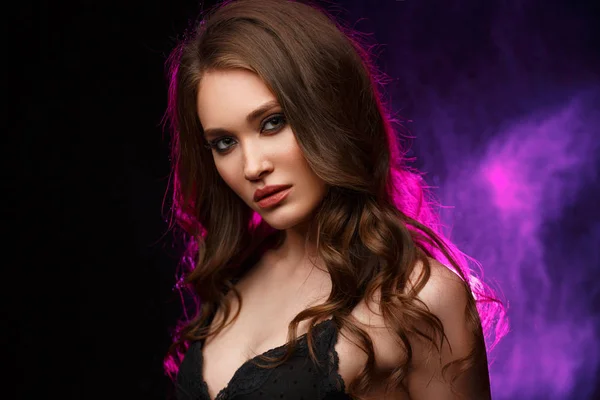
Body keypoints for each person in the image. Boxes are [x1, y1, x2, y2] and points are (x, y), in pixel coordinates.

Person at [162, 0, 507, 399]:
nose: (253, 166)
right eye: (224, 142)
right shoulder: (234, 276)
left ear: (327, 112)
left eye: (273, 122)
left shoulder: (417, 297)